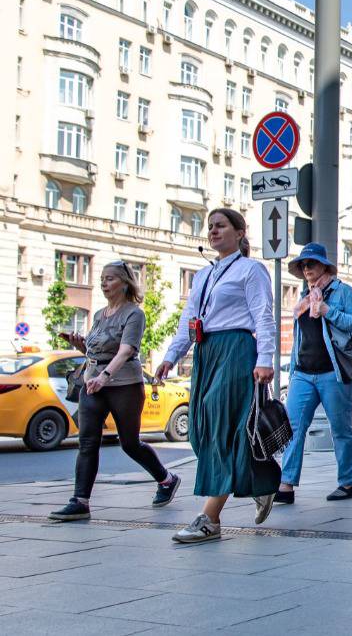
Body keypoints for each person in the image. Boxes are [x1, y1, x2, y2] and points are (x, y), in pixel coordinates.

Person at [156, 208, 278, 543]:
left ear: (240, 233)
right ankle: (262, 478)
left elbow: (263, 316)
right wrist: (170, 357)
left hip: (236, 350)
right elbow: (189, 321)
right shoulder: (202, 275)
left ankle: (210, 519)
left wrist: (265, 358)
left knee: (225, 426)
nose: (212, 231)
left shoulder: (252, 270)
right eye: (209, 227)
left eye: (220, 226)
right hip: (206, 353)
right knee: (200, 429)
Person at [50, 262, 180, 521]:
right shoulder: (99, 314)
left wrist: (105, 376)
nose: (103, 283)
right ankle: (80, 501)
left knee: (129, 443)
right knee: (87, 443)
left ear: (124, 282)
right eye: (102, 279)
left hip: (124, 386)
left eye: (109, 279)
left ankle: (166, 480)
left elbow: (126, 350)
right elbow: (95, 350)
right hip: (92, 384)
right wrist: (80, 345)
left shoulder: (134, 314)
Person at [276, 243, 352, 504]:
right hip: (303, 373)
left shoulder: (343, 292)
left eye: (312, 264)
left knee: (340, 429)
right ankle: (286, 485)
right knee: (293, 428)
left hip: (333, 372)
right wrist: (292, 371)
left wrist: (329, 311)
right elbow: (299, 339)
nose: (307, 269)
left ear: (324, 266)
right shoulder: (305, 298)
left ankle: (346, 483)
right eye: (303, 265)